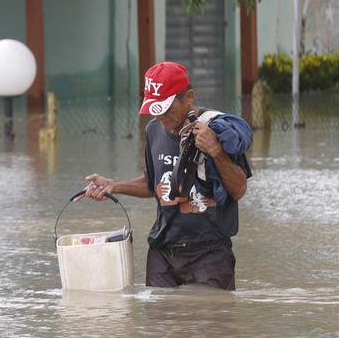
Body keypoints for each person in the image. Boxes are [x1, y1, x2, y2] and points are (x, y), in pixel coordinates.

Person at [82, 61, 253, 290]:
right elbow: (152, 184)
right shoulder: (153, 130)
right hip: (162, 251)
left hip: (210, 252)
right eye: (155, 109)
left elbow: (239, 190)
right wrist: (112, 185)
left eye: (166, 109)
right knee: (159, 312)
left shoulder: (218, 130)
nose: (161, 116)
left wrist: (216, 151)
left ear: (189, 98)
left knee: (211, 312)